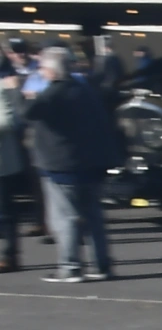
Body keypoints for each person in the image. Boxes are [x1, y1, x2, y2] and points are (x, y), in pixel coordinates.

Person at [24, 47, 120, 283]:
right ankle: (101, 264)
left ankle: (70, 266)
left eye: (43, 67)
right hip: (91, 163)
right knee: (93, 217)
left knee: (64, 218)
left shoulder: (54, 92)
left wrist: (17, 93)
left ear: (51, 70)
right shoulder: (85, 90)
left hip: (62, 165)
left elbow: (28, 112)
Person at [0, 67, 24, 272]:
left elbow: (7, 122)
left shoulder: (2, 89)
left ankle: (10, 256)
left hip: (2, 163)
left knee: (4, 212)